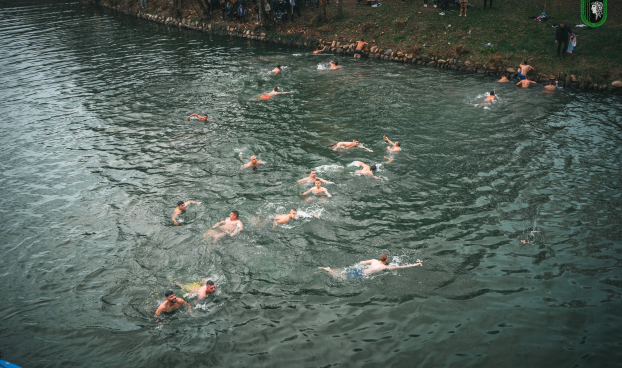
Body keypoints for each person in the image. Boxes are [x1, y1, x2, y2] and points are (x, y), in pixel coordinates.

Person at [318, 254, 423, 279]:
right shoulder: (383, 267)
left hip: (358, 268)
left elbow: (362, 262)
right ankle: (328, 270)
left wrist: (356, 265)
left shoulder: (374, 260)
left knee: (342, 270)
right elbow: (400, 267)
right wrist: (415, 264)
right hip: (361, 273)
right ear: (386, 260)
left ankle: (330, 268)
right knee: (341, 278)